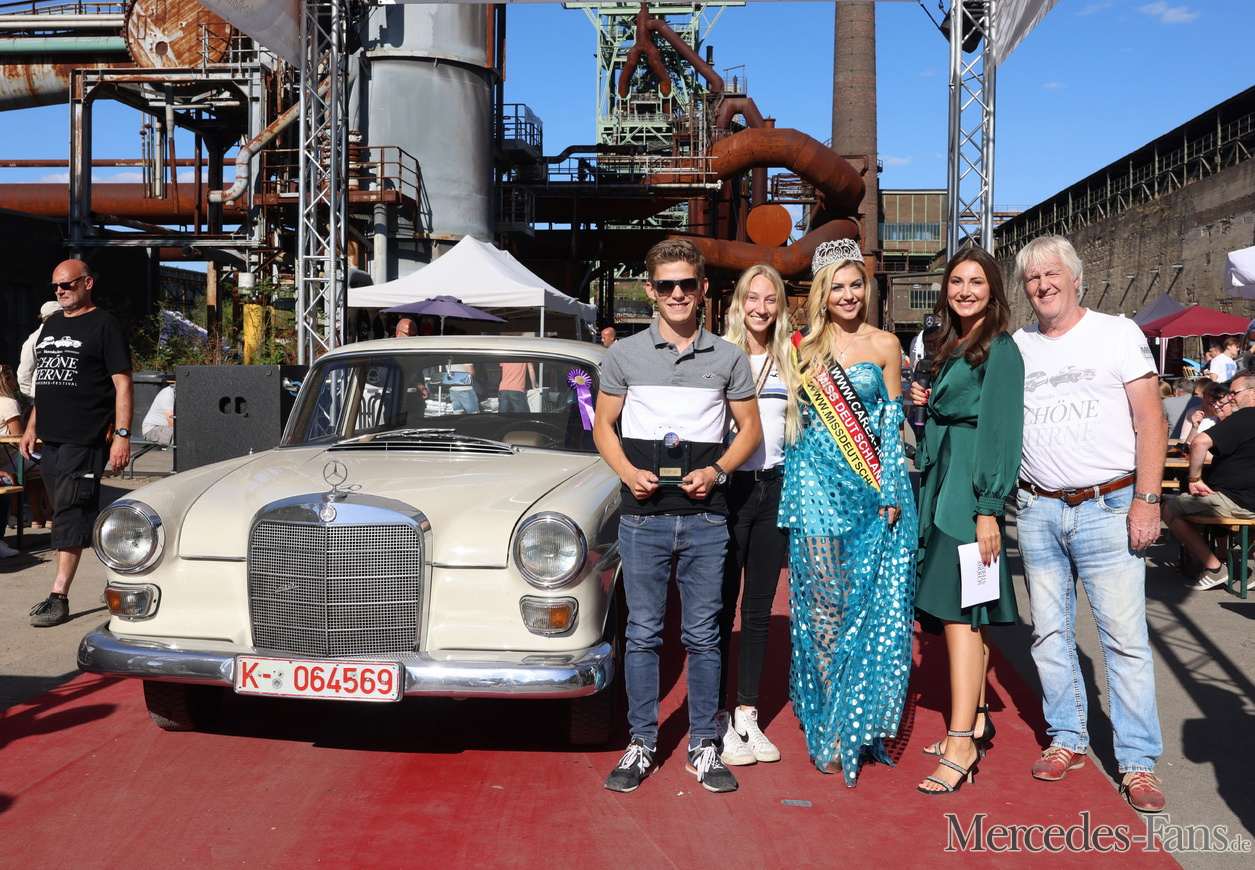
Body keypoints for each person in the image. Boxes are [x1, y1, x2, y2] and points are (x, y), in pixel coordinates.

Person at [594, 238, 761, 795]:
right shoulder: (623, 355)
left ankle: (703, 746)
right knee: (642, 634)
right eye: (666, 285)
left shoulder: (728, 357)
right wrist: (626, 471)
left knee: (704, 636)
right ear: (650, 291)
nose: (677, 294)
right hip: (643, 518)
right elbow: (603, 426)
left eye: (687, 284)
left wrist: (716, 472)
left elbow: (750, 431)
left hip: (707, 518)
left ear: (703, 288)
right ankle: (642, 742)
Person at [1012, 235, 1168, 813]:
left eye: (1052, 274)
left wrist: (1147, 500)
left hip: (1109, 505)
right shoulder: (1017, 346)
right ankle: (1067, 736)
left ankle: (1137, 761)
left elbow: (1151, 419)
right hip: (1038, 508)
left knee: (1124, 640)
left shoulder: (1117, 333)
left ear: (1076, 279)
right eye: (1032, 278)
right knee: (1048, 634)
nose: (1043, 285)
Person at [778, 238, 918, 787]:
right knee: (823, 607)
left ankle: (851, 718)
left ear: (867, 287)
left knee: (867, 604)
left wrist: (891, 492)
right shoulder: (801, 347)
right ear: (822, 292)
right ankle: (834, 718)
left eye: (855, 284)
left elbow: (889, 427)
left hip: (868, 491)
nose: (847, 294)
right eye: (836, 286)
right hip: (815, 491)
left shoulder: (886, 344)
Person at [908, 247, 1023, 795]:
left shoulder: (1001, 347)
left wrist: (988, 510)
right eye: (957, 281)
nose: (965, 291)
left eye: (976, 282)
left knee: (960, 617)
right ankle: (975, 720)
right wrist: (923, 400)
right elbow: (947, 414)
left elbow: (1001, 430)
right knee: (970, 612)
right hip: (944, 482)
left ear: (993, 289)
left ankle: (960, 743)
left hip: (968, 491)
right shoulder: (952, 344)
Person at [20, 259, 132, 628]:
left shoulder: (105, 325)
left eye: (66, 285)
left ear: (87, 283)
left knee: (69, 513)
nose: (59, 291)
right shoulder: (52, 324)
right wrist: (31, 426)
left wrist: (122, 436)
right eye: (55, 286)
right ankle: (124, 572)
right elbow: (46, 381)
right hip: (50, 439)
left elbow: (122, 384)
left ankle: (58, 596)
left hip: (84, 439)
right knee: (76, 512)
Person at [714, 264, 795, 767]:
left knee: (759, 609)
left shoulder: (791, 359)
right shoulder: (722, 355)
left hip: (776, 489)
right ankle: (718, 716)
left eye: (770, 299)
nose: (761, 308)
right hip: (731, 489)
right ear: (739, 302)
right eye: (753, 298)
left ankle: (748, 713)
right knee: (722, 607)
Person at [1161, 370, 1255, 591]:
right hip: (1243, 498)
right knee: (1202, 499)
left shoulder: (1246, 416)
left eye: (1234, 392)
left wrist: (1194, 478)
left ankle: (1214, 567)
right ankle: (1221, 559)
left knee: (1169, 508)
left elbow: (1199, 443)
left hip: (1238, 501)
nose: (1230, 397)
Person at [17, 300, 62, 399]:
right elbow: (24, 372)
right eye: (62, 313)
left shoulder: (63, 335)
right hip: (40, 398)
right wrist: (31, 398)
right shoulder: (34, 339)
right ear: (53, 315)